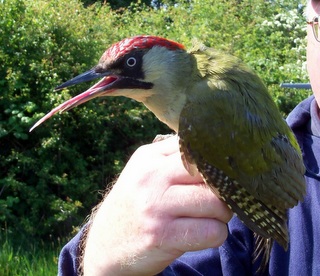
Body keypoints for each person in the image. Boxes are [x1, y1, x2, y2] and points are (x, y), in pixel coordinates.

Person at [58, 0, 320, 274]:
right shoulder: (184, 91)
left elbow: (249, 199)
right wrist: (99, 257)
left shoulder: (203, 104)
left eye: (131, 63)